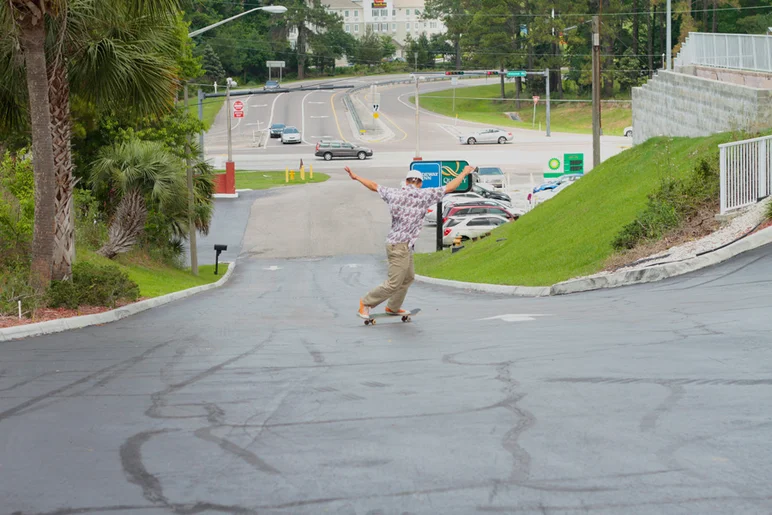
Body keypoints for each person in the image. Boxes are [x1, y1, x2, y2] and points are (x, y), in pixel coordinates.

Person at [345, 164, 475, 319]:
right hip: (398, 246)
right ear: (420, 183)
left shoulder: (394, 193)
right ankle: (365, 303)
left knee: (408, 277)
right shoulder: (424, 195)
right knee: (394, 283)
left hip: (401, 245)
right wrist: (464, 172)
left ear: (406, 182)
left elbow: (373, 186)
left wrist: (356, 177)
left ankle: (393, 307)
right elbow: (450, 187)